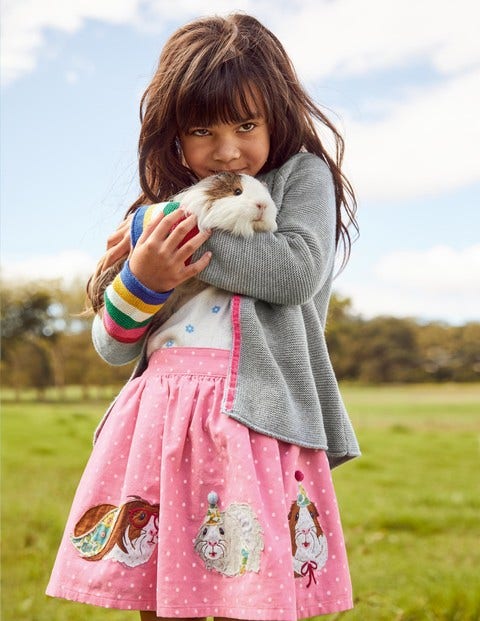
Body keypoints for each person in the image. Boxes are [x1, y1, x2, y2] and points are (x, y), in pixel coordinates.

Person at [46, 12, 360, 621]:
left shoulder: (299, 179)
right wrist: (145, 277)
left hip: (251, 418)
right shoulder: (162, 214)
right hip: (162, 418)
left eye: (247, 124)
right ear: (173, 136)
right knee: (163, 594)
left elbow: (294, 271)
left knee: (253, 589)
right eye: (202, 130)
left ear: (277, 115)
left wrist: (164, 235)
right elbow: (110, 344)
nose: (227, 151)